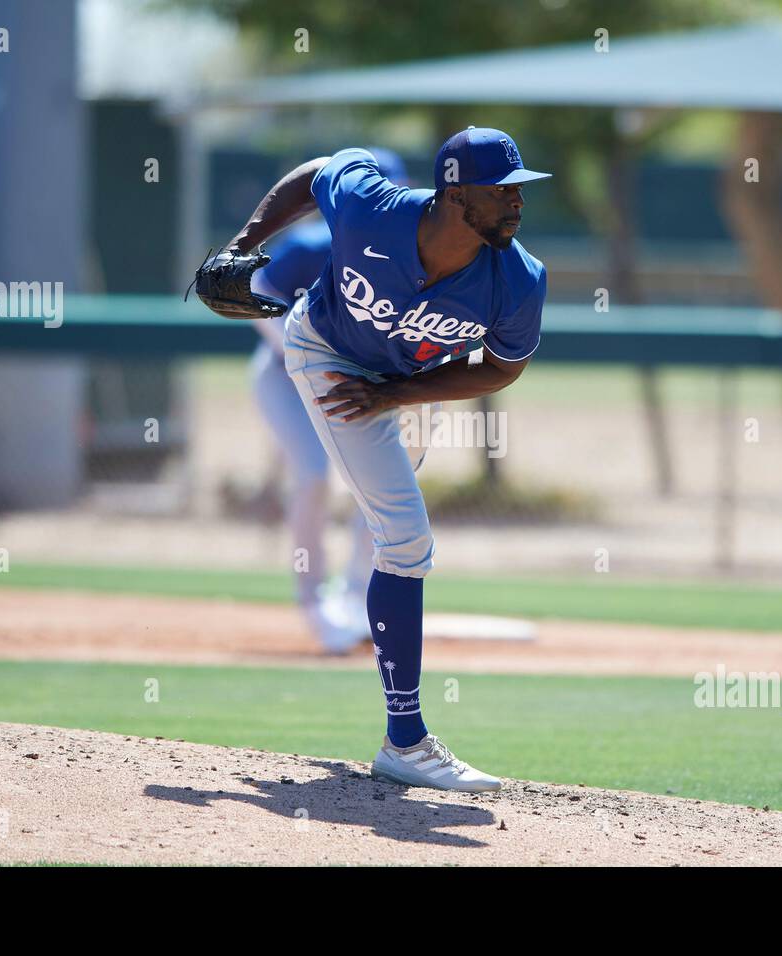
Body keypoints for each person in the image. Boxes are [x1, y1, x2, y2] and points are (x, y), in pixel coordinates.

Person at [225, 127, 549, 792]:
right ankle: (406, 739)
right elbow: (318, 169)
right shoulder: (374, 208)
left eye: (521, 189)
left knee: (389, 532)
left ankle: (356, 606)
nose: (518, 203)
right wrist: (240, 248)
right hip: (329, 359)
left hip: (405, 384)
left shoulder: (518, 281)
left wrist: (399, 393)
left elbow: (500, 370)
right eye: (504, 190)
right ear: (456, 195)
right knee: (406, 538)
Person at [246, 148, 410, 655]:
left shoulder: (407, 259)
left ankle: (358, 595)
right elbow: (253, 288)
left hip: (356, 384)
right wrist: (298, 352)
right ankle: (312, 600)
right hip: (284, 380)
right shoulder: (312, 245)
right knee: (314, 476)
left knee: (378, 485)